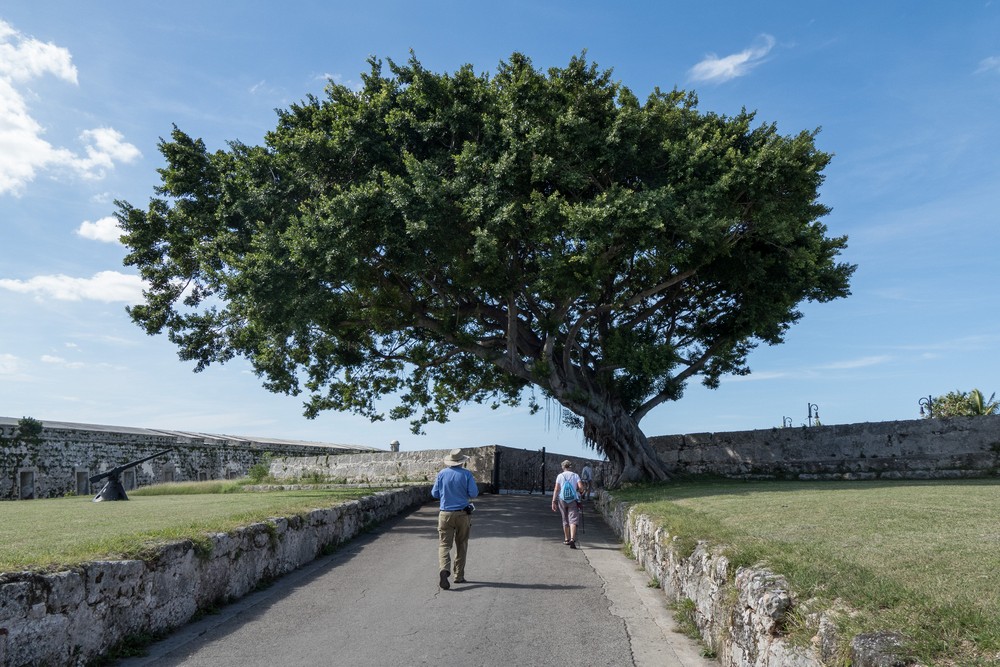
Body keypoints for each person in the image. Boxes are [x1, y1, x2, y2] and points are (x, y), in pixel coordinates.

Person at [431, 448, 479, 589]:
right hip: (462, 514)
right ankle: (459, 576)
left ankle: (444, 570)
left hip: (445, 513)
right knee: (461, 544)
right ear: (462, 462)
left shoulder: (441, 474)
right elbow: (474, 493)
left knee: (444, 545)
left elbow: (434, 493)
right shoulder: (466, 475)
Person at [551, 459, 584, 549]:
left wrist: (553, 501)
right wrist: (580, 492)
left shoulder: (560, 476)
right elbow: (581, 487)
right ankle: (572, 539)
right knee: (573, 519)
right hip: (573, 499)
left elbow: (556, 489)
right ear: (570, 467)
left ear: (563, 467)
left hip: (562, 499)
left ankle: (566, 539)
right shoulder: (575, 475)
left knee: (565, 519)